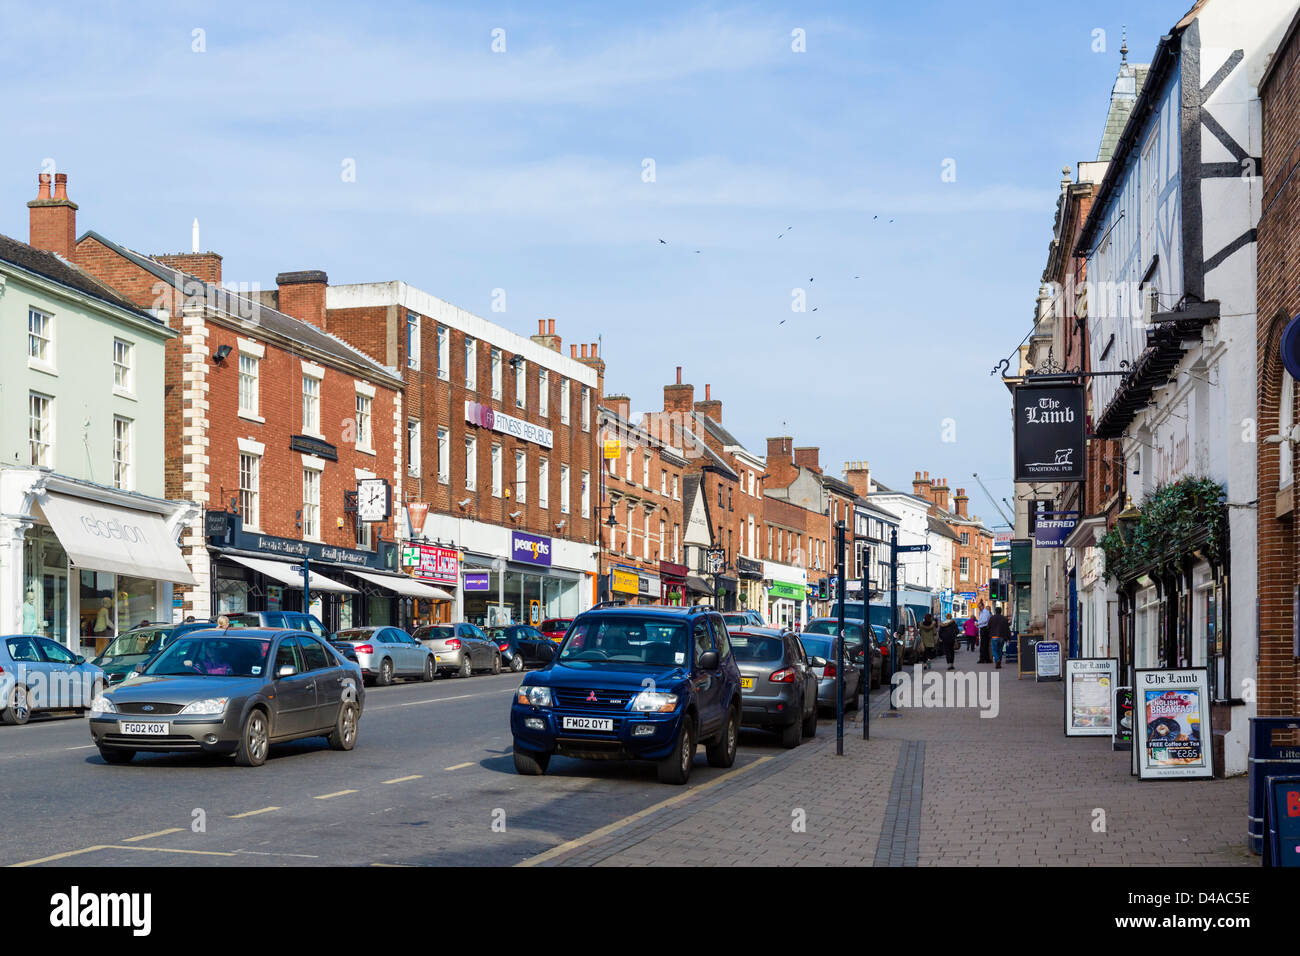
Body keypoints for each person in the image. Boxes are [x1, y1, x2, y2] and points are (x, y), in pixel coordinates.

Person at [988, 604, 1012, 669]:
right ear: (1001, 611)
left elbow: (988, 627)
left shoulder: (992, 618)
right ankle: (999, 663)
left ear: (995, 611)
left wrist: (989, 634)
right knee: (1000, 650)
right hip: (1002, 637)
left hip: (994, 637)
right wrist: (1009, 638)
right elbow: (1007, 629)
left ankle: (997, 660)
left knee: (994, 650)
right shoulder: (1004, 619)